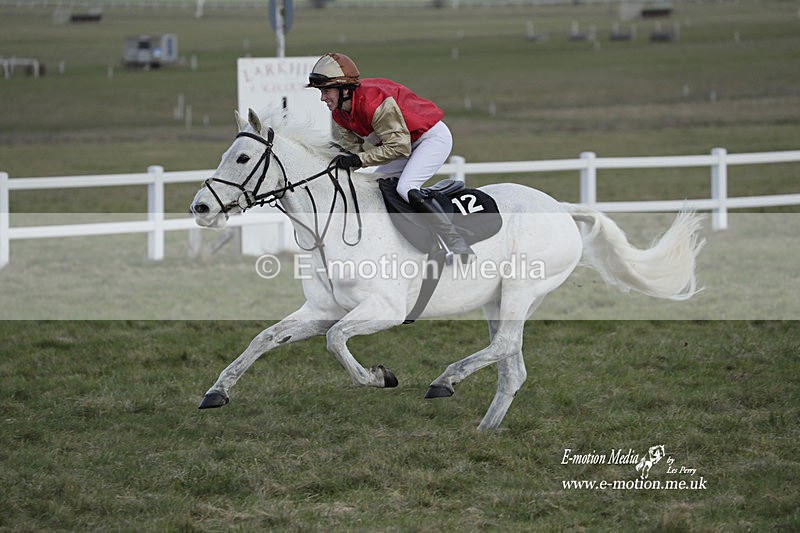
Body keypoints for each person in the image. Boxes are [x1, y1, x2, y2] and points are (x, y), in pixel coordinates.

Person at [306, 52, 474, 260]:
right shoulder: (339, 113)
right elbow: (352, 153)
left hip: (430, 139)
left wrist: (359, 160)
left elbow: (398, 147)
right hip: (403, 145)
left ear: (344, 89)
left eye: (327, 91)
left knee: (405, 187)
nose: (323, 98)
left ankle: (455, 243)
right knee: (376, 189)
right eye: (321, 92)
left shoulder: (373, 102)